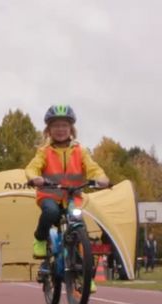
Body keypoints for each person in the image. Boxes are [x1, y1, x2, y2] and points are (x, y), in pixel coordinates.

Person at [25, 104, 110, 270]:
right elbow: (32, 167)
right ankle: (40, 239)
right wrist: (34, 177)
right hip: (49, 195)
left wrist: (101, 179)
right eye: (56, 125)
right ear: (48, 129)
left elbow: (93, 168)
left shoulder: (80, 151)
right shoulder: (44, 151)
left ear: (71, 128)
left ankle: (85, 276)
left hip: (72, 198)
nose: (60, 129)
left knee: (80, 230)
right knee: (51, 212)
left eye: (64, 125)